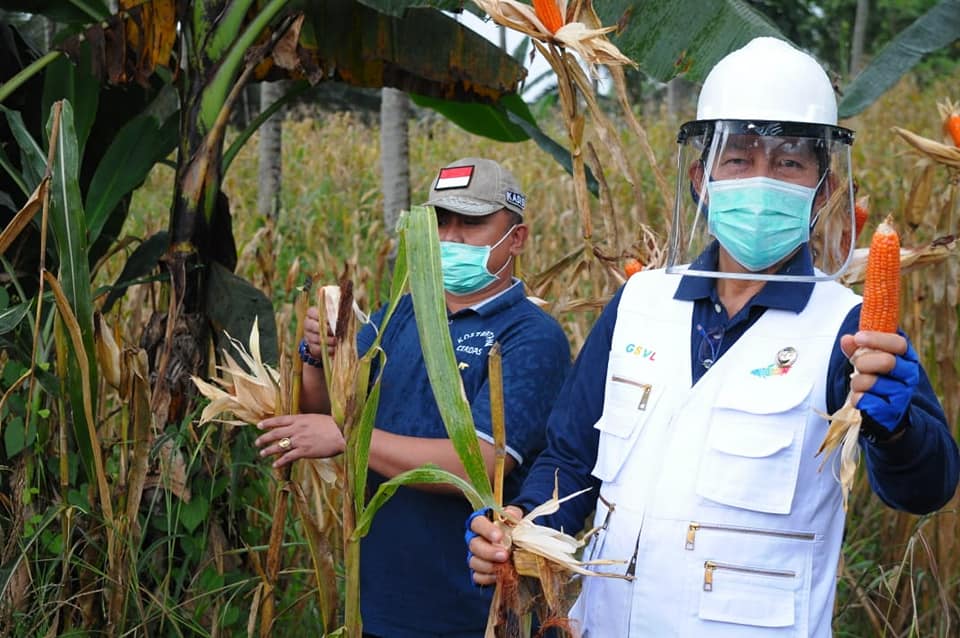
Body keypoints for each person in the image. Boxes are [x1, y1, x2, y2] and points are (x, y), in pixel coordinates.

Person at [467, 38, 960, 637]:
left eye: (788, 163)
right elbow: (571, 460)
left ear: (823, 190)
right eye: (739, 158)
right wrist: (520, 524)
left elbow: (924, 490)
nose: (761, 179)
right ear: (702, 179)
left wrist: (898, 429)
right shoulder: (639, 301)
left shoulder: (850, 327)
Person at [255, 157, 571, 637]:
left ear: (517, 239)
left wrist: (349, 437)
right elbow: (322, 416)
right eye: (440, 221)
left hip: (468, 613)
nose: (451, 238)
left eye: (472, 223)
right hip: (379, 601)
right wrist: (317, 356)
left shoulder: (531, 335)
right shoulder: (399, 316)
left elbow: (481, 463)